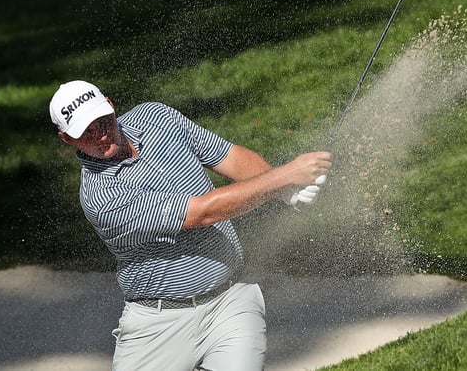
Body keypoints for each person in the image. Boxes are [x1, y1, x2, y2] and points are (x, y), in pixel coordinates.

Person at [49, 80, 332, 370]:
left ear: (109, 105)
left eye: (103, 122)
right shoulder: (102, 198)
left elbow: (228, 157)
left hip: (230, 303)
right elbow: (202, 213)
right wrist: (284, 177)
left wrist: (285, 191)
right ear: (67, 139)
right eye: (85, 133)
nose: (101, 136)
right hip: (158, 325)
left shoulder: (156, 116)